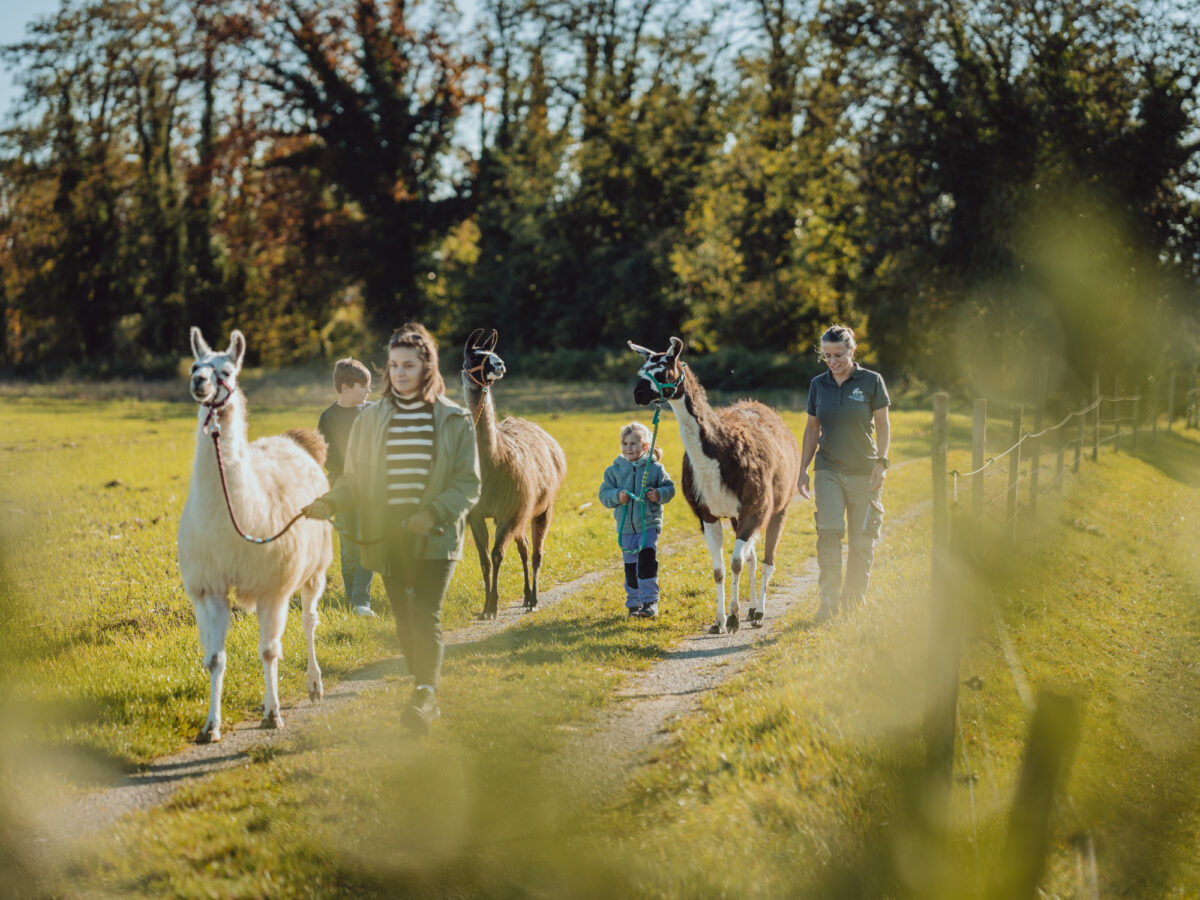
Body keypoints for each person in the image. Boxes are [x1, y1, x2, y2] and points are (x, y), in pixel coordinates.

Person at [304, 324, 481, 734]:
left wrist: (433, 514)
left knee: (425, 615)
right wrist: (330, 502)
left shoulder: (454, 419)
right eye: (394, 365)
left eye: (409, 365)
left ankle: (424, 695)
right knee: (403, 619)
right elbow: (354, 480)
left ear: (427, 368)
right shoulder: (370, 420)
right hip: (387, 536)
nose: (399, 373)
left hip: (434, 535)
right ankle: (423, 683)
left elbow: (467, 484)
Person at [798, 324, 891, 623]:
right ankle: (828, 602)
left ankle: (853, 602)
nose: (832, 361)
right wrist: (803, 469)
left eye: (838, 355)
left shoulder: (872, 381)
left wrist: (881, 462)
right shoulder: (818, 385)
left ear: (852, 351)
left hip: (865, 471)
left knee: (862, 541)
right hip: (829, 469)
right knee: (829, 533)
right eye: (826, 355)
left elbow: (883, 425)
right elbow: (812, 429)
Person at [317, 357, 377, 617]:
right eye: (363, 387)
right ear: (345, 388)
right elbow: (325, 455)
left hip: (370, 490)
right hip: (342, 490)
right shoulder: (328, 417)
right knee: (349, 547)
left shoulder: (372, 412)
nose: (368, 391)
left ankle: (361, 600)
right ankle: (352, 597)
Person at [598, 422, 676, 619]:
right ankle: (634, 603)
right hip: (625, 527)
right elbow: (604, 495)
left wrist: (658, 494)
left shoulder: (655, 469)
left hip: (648, 524)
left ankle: (650, 602)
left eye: (633, 444)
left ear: (645, 447)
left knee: (646, 560)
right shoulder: (614, 471)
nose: (628, 448)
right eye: (625, 444)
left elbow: (670, 488)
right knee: (631, 567)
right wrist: (617, 496)